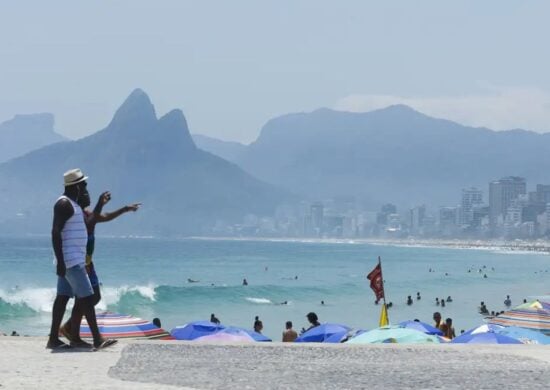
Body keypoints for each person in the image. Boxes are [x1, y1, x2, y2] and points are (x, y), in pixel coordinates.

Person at [46, 169, 116, 350]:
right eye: (83, 184)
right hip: (71, 261)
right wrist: (61, 261)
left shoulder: (73, 205)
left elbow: (87, 224)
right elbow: (55, 232)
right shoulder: (64, 204)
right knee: (87, 297)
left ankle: (54, 339)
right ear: (75, 186)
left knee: (62, 298)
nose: (85, 187)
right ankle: (97, 339)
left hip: (72, 260)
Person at [60, 190, 140, 342]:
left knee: (93, 297)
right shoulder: (77, 217)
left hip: (89, 263)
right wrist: (100, 203)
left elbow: (103, 217)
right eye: (85, 194)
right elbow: (90, 223)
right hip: (80, 262)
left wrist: (125, 209)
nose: (87, 195)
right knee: (85, 298)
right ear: (78, 198)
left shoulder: (87, 213)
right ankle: (74, 333)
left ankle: (69, 328)